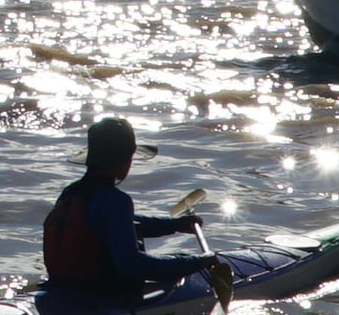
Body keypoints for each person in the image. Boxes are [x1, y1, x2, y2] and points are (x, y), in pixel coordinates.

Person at [41, 116, 237, 304]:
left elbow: (122, 223)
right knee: (184, 262)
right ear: (123, 160)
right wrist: (199, 262)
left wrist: (175, 225)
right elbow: (132, 265)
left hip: (64, 288)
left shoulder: (71, 192)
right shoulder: (116, 200)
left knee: (181, 261)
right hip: (103, 295)